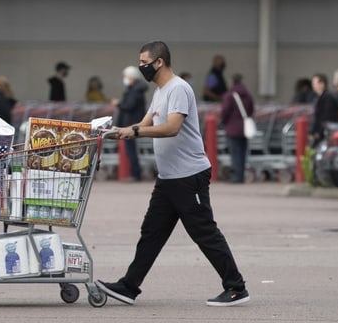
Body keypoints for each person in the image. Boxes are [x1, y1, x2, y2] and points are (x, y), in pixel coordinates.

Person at [96, 40, 249, 307]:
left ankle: (236, 288)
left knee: (204, 232)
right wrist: (117, 132)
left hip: (189, 177)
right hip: (168, 179)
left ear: (159, 62)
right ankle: (129, 286)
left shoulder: (178, 88)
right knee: (151, 233)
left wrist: (133, 132)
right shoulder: (159, 92)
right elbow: (144, 124)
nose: (141, 67)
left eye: (144, 62)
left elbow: (172, 127)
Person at [111, 66, 148, 182]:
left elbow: (129, 106)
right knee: (131, 150)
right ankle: (135, 173)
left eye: (126, 77)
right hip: (131, 122)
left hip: (131, 124)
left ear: (131, 77)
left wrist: (118, 103)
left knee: (131, 150)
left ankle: (136, 174)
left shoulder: (135, 91)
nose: (125, 79)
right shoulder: (136, 90)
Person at [220, 73, 255, 184]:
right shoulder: (248, 95)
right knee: (243, 152)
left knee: (235, 153)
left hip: (232, 127)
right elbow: (251, 110)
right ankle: (241, 174)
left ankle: (236, 176)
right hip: (244, 128)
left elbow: (224, 111)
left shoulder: (229, 95)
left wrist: (224, 122)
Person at [309, 73, 338, 148]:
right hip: (322, 131)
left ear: (322, 84)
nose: (313, 85)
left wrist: (318, 132)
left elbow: (325, 116)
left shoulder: (327, 98)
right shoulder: (320, 97)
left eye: (314, 83)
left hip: (324, 132)